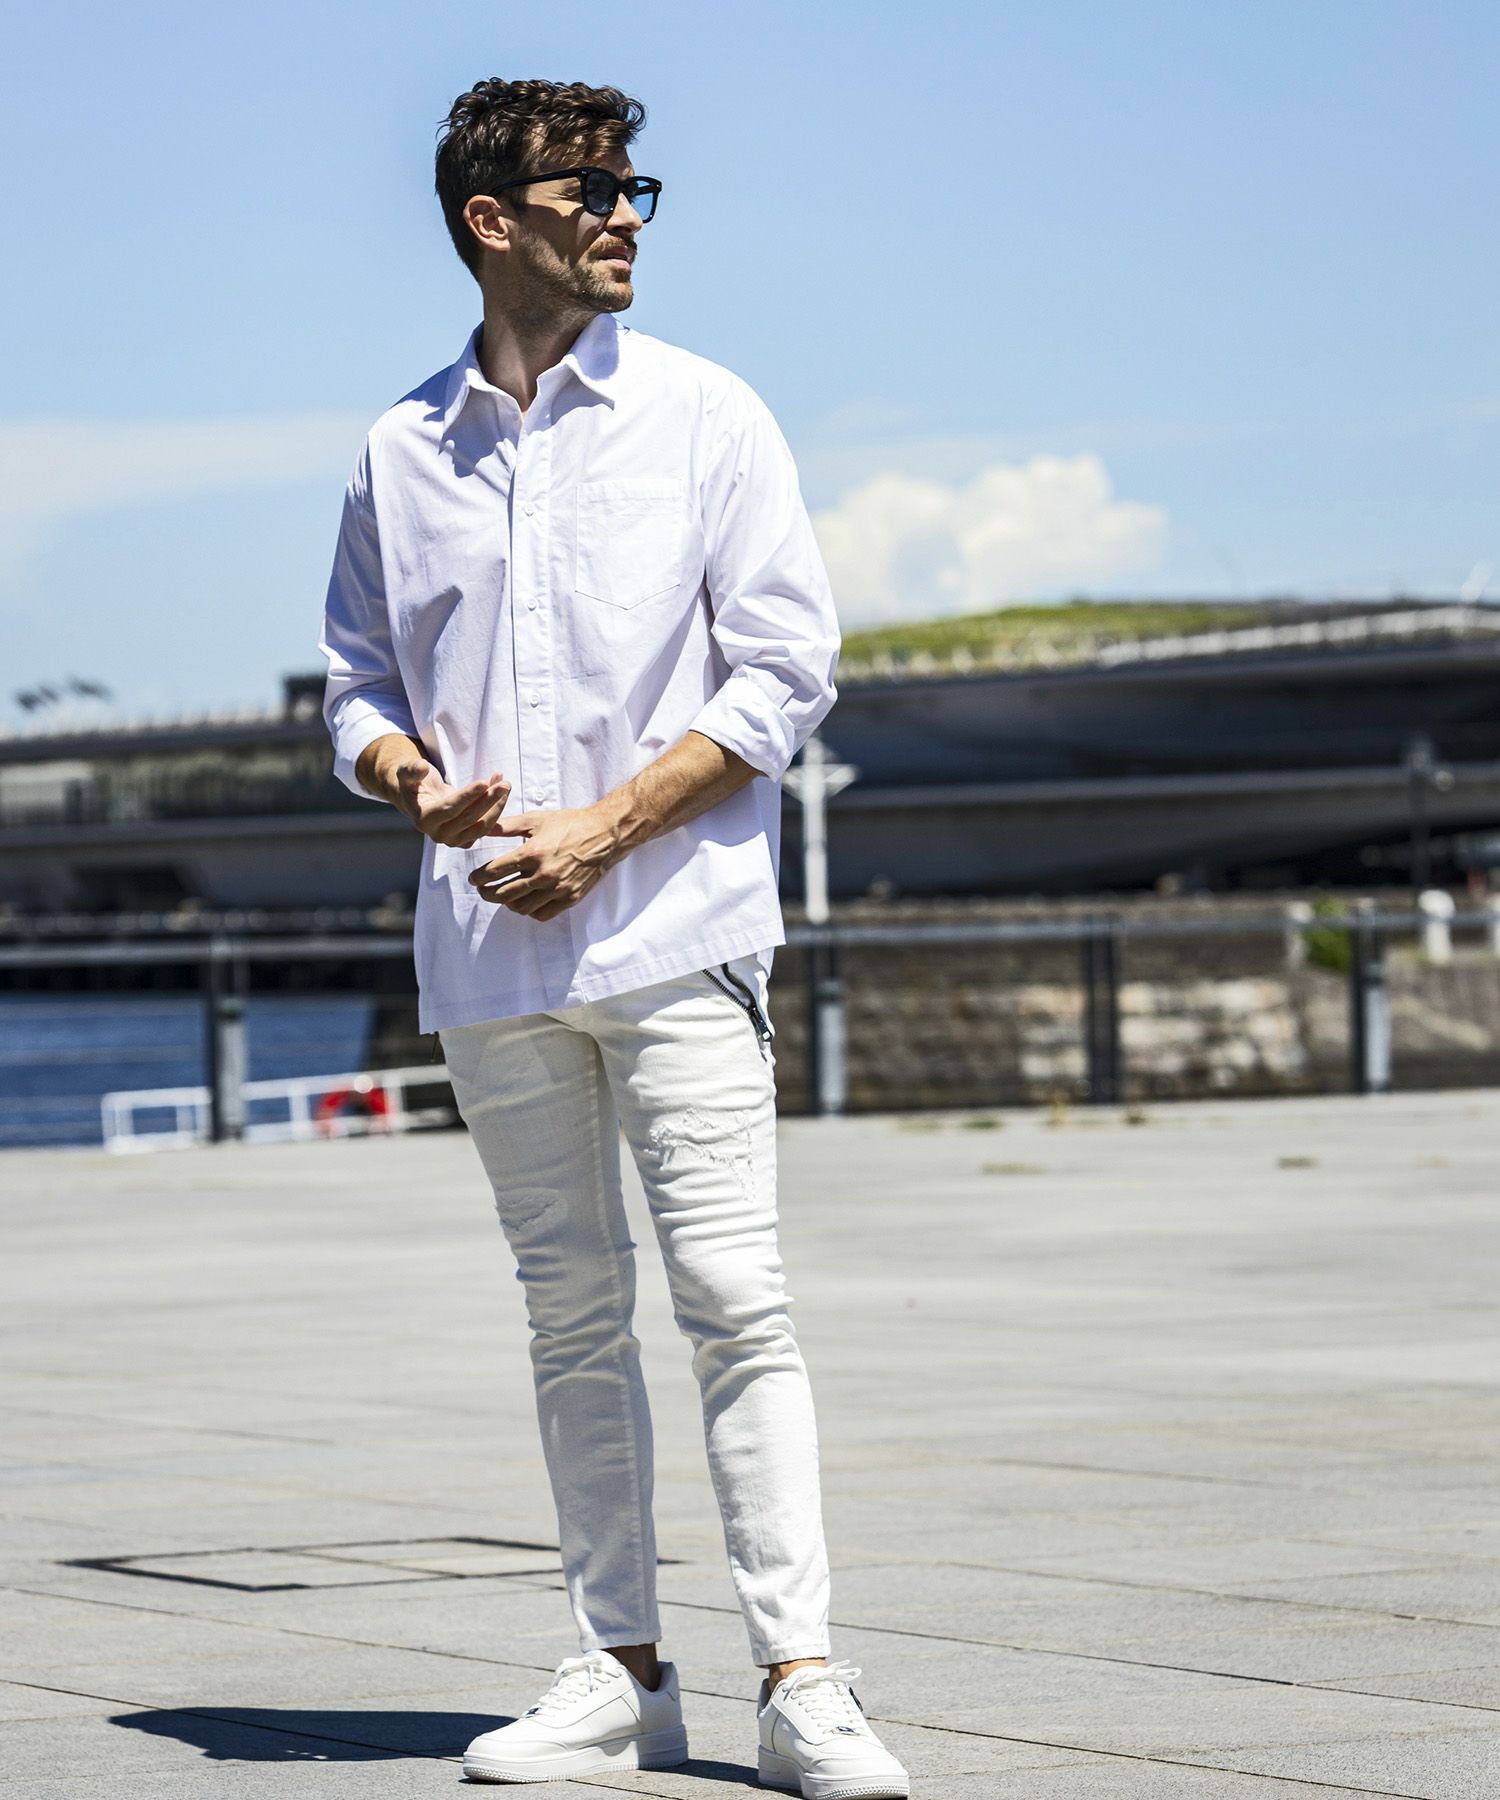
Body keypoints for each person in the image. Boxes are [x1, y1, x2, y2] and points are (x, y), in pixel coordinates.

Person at [317, 76, 909, 1798]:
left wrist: (605, 828)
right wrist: (412, 779)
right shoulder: (399, 451)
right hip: (488, 955)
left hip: (679, 934)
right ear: (491, 221)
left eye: (637, 186)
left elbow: (786, 672)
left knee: (737, 1304)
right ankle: (619, 1673)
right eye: (591, 189)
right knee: (569, 1319)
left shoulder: (708, 415)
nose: (628, 213)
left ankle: (802, 1681)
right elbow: (354, 682)